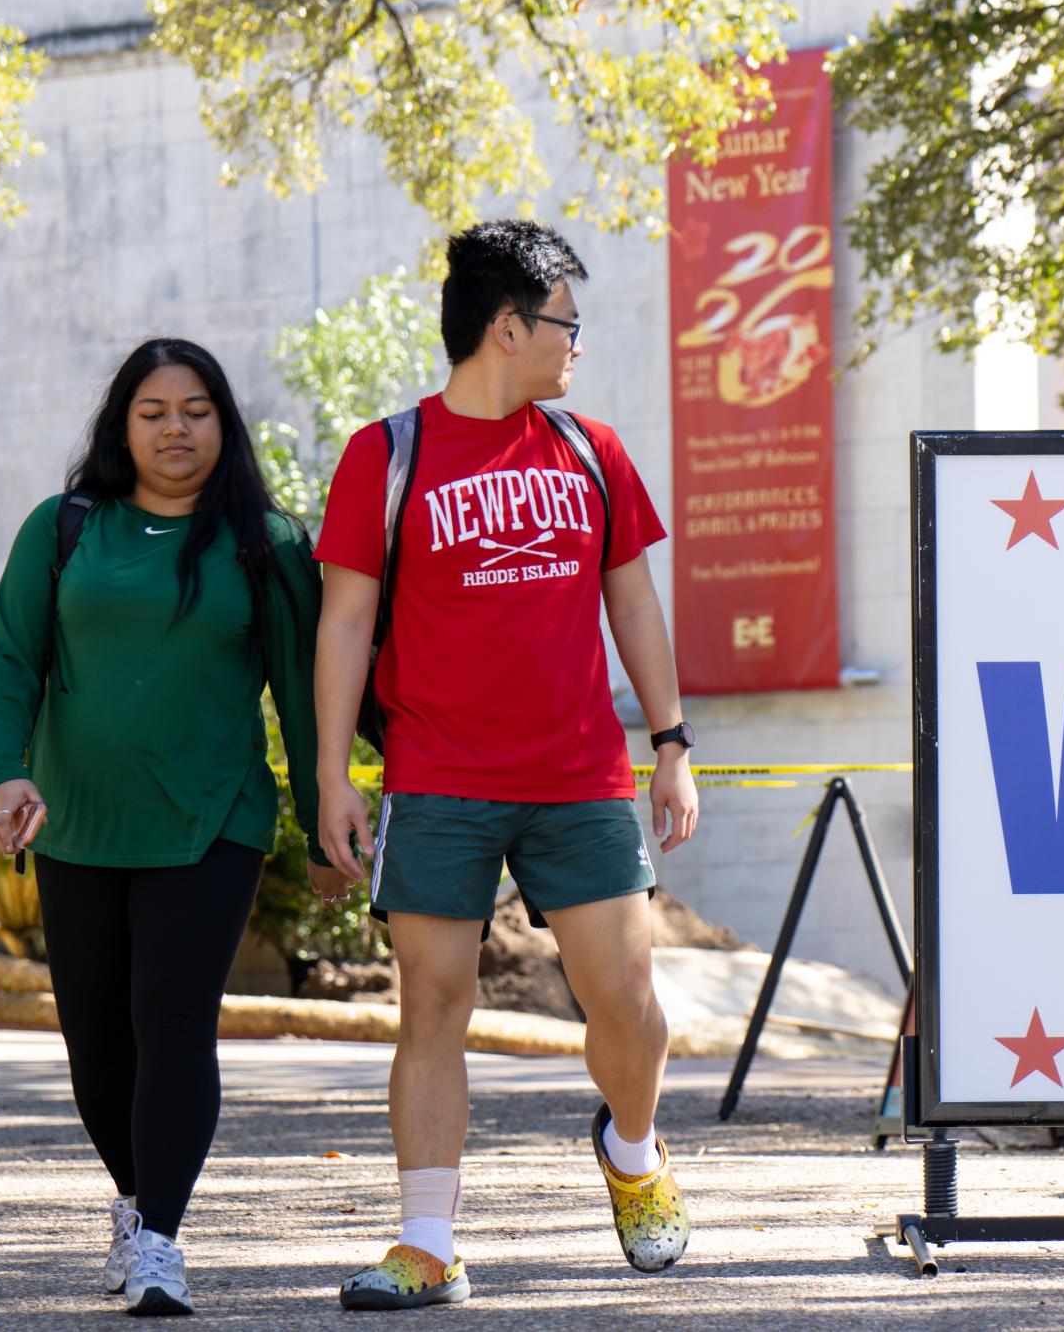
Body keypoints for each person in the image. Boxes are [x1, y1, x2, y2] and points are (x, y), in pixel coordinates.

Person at [314, 219, 699, 1311]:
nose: (577, 341)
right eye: (565, 322)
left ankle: (631, 1147)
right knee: (432, 1004)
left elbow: (634, 603)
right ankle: (427, 1241)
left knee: (627, 1001)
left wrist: (671, 743)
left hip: (579, 774)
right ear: (506, 327)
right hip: (436, 772)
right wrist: (336, 774)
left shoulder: (591, 450)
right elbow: (344, 623)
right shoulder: (386, 454)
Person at [0, 338, 350, 1316]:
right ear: (122, 426)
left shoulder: (265, 542)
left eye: (196, 410)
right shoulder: (63, 528)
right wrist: (4, 773)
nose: (175, 428)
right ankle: (139, 1201)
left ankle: (160, 1242)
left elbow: (304, 692)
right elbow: (10, 659)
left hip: (211, 820)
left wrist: (324, 828)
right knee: (96, 1044)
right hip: (76, 821)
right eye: (153, 412)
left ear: (224, 423)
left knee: (174, 1022)